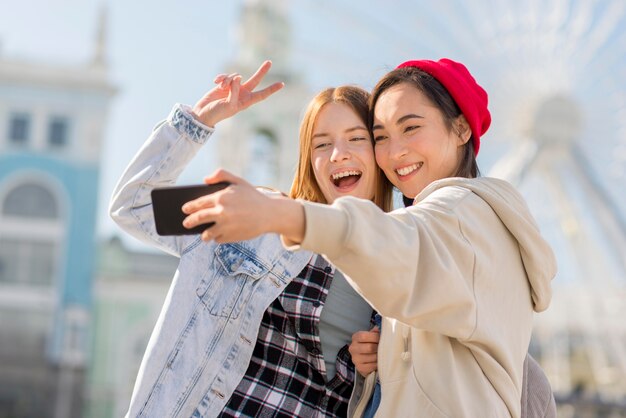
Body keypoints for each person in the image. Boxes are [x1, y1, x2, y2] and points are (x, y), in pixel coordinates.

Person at [181, 58, 558, 417]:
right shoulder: (454, 228)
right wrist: (384, 357)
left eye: (411, 128)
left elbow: (393, 244)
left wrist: (283, 214)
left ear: (461, 128)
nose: (395, 152)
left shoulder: (464, 210)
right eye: (381, 137)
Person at [109, 60, 392, 417]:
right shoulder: (254, 212)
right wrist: (199, 121)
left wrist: (376, 369)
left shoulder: (402, 261)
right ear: (309, 160)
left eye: (356, 138)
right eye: (322, 144)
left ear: (380, 151)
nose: (338, 154)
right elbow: (133, 206)